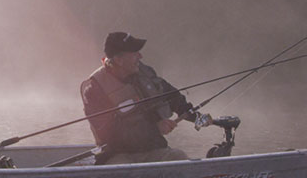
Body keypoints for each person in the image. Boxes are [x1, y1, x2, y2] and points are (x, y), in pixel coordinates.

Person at [80, 31, 210, 164]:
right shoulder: (95, 91)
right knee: (122, 169)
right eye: (134, 53)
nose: (140, 56)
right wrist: (155, 129)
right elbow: (110, 135)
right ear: (119, 60)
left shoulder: (144, 74)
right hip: (117, 155)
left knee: (178, 156)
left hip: (153, 150)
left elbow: (173, 97)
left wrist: (197, 118)